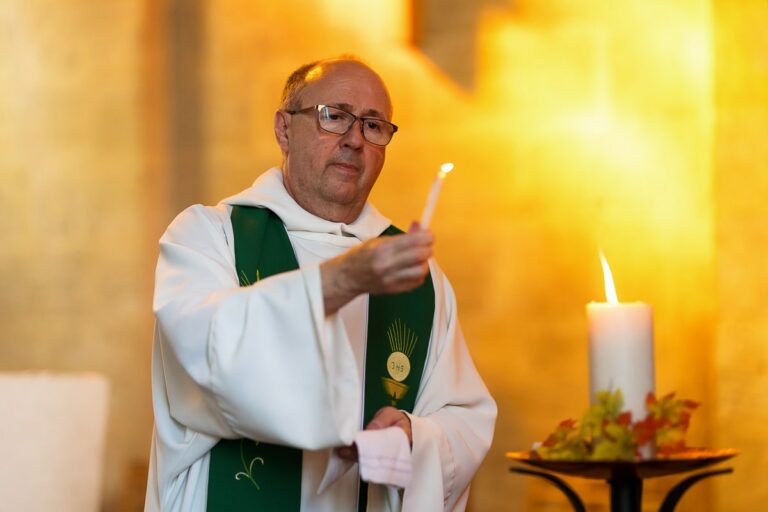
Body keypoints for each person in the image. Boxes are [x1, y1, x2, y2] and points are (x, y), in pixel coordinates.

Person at [145, 56, 496, 512]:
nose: (354, 139)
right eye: (335, 116)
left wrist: (412, 437)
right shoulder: (210, 237)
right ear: (284, 130)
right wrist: (345, 279)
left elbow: (464, 419)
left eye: (373, 126)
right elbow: (210, 355)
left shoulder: (417, 275)